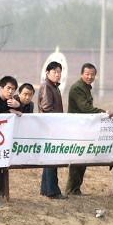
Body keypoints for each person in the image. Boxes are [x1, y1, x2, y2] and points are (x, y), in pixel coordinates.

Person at [65, 63, 113, 196]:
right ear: (82, 74)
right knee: (77, 159)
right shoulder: (78, 88)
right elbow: (85, 108)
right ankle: (71, 190)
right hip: (77, 128)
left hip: (84, 128)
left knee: (83, 159)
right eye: (87, 74)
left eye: (92, 74)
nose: (90, 76)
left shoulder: (85, 87)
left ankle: (76, 189)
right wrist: (103, 113)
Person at [38, 61, 66, 199]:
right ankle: (53, 191)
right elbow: (47, 108)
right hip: (50, 127)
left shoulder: (54, 86)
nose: (57, 74)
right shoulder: (47, 86)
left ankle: (45, 189)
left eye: (59, 71)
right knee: (52, 160)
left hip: (53, 127)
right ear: (47, 73)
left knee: (49, 159)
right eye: (55, 71)